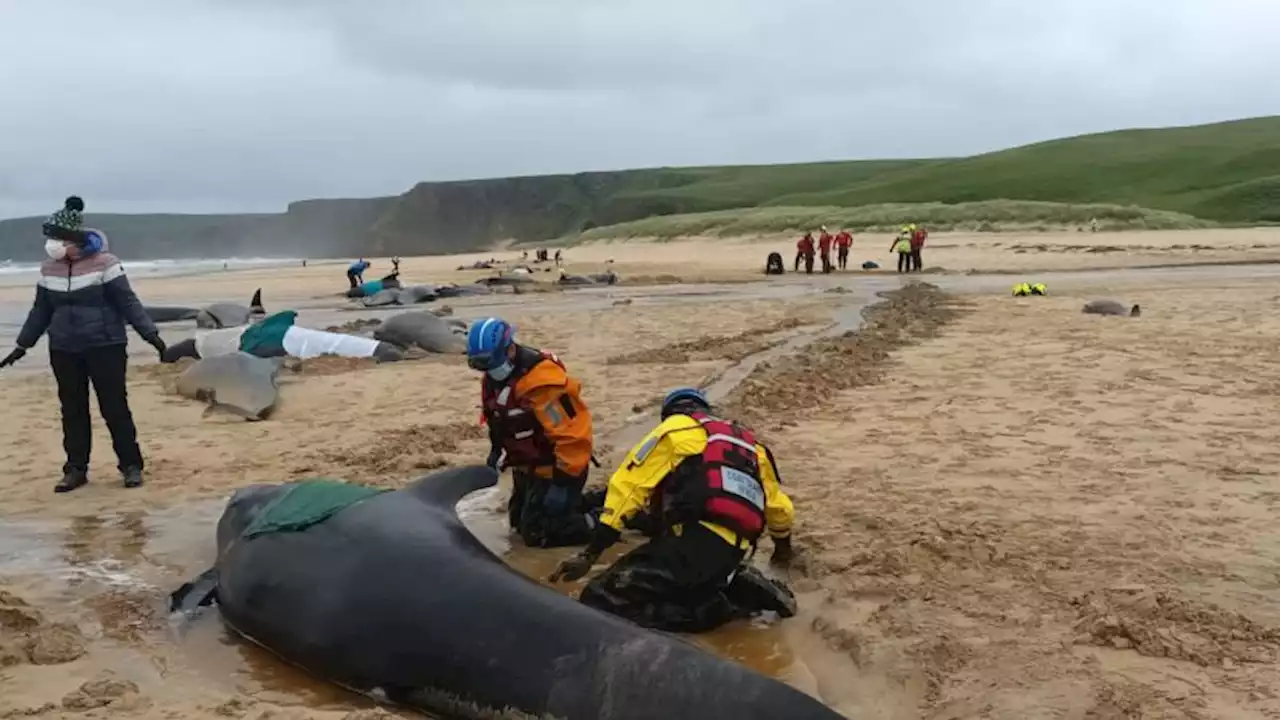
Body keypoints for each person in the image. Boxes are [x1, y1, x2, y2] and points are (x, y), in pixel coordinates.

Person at [551, 388, 797, 633]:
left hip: (692, 544)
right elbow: (780, 508)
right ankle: (730, 581)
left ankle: (727, 604)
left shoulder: (674, 429)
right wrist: (782, 550)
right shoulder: (751, 446)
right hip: (734, 549)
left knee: (600, 597)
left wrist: (591, 553)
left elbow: (628, 486)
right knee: (682, 579)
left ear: (670, 413)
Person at [0, 229, 166, 492]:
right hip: (64, 348)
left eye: (62, 241)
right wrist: (22, 346)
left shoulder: (105, 263)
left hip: (105, 345)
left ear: (77, 243)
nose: (55, 246)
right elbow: (40, 311)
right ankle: (76, 469)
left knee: (114, 407)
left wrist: (152, 336)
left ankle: (131, 466)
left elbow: (128, 302)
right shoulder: (49, 269)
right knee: (72, 410)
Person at [468, 317, 596, 548]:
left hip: (559, 466)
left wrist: (563, 482)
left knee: (542, 535)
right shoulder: (494, 378)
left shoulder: (542, 384)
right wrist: (496, 451)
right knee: (518, 524)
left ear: (510, 349)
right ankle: (581, 505)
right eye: (480, 365)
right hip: (527, 465)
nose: (487, 371)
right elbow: (497, 418)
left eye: (489, 363)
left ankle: (602, 522)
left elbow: (572, 435)